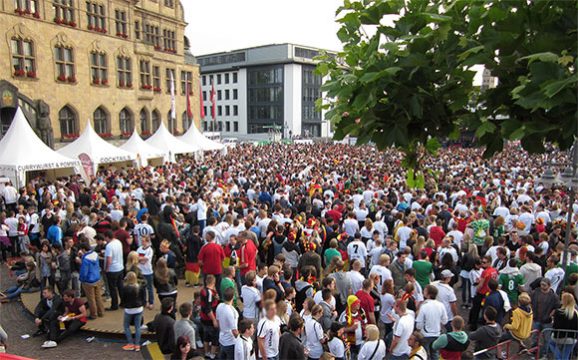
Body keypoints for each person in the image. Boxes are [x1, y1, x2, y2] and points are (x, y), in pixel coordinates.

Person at [416, 284, 448, 360]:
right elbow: (445, 320)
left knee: (424, 354)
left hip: (425, 334)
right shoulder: (441, 305)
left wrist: (419, 330)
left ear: (428, 294)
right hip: (437, 333)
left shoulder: (424, 306)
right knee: (435, 354)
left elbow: (419, 324)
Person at [547, 292, 578, 360]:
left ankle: (559, 358)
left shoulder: (558, 312)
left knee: (551, 343)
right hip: (572, 338)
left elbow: (555, 326)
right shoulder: (575, 313)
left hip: (559, 337)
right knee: (566, 355)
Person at [78, 241, 104, 319]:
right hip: (97, 278)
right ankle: (101, 312)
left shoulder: (85, 259)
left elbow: (84, 272)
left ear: (83, 249)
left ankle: (93, 314)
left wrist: (81, 279)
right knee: (98, 296)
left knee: (91, 299)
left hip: (88, 281)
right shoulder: (95, 254)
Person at [121, 271, 146, 352]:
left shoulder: (125, 288)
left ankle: (130, 343)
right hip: (139, 308)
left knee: (126, 326)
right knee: (137, 327)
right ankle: (137, 345)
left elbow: (123, 299)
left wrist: (123, 305)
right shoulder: (140, 287)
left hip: (129, 309)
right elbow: (143, 297)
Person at [216, 287, 239, 360]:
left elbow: (218, 322)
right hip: (230, 342)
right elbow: (234, 331)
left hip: (222, 339)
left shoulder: (219, 306)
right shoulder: (232, 311)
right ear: (233, 296)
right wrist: (241, 340)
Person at [200, 274, 220, 359]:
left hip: (203, 318)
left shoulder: (203, 290)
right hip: (209, 319)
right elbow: (208, 308)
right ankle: (212, 354)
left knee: (206, 336)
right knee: (214, 336)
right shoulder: (209, 293)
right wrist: (214, 320)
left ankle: (206, 352)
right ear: (214, 282)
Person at [104, 230, 124, 311]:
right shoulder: (118, 242)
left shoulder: (109, 246)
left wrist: (107, 268)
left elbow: (109, 259)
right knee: (120, 286)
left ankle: (114, 305)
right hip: (120, 267)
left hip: (112, 269)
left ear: (108, 237)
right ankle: (123, 302)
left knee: (112, 288)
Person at [136, 235, 155, 309]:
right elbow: (136, 258)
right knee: (141, 288)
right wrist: (141, 259)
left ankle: (151, 302)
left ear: (147, 241)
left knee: (149, 288)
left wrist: (139, 259)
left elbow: (145, 260)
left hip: (148, 271)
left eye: (144, 241)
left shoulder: (150, 250)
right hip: (140, 271)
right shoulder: (139, 248)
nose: (142, 242)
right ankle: (143, 301)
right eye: (141, 241)